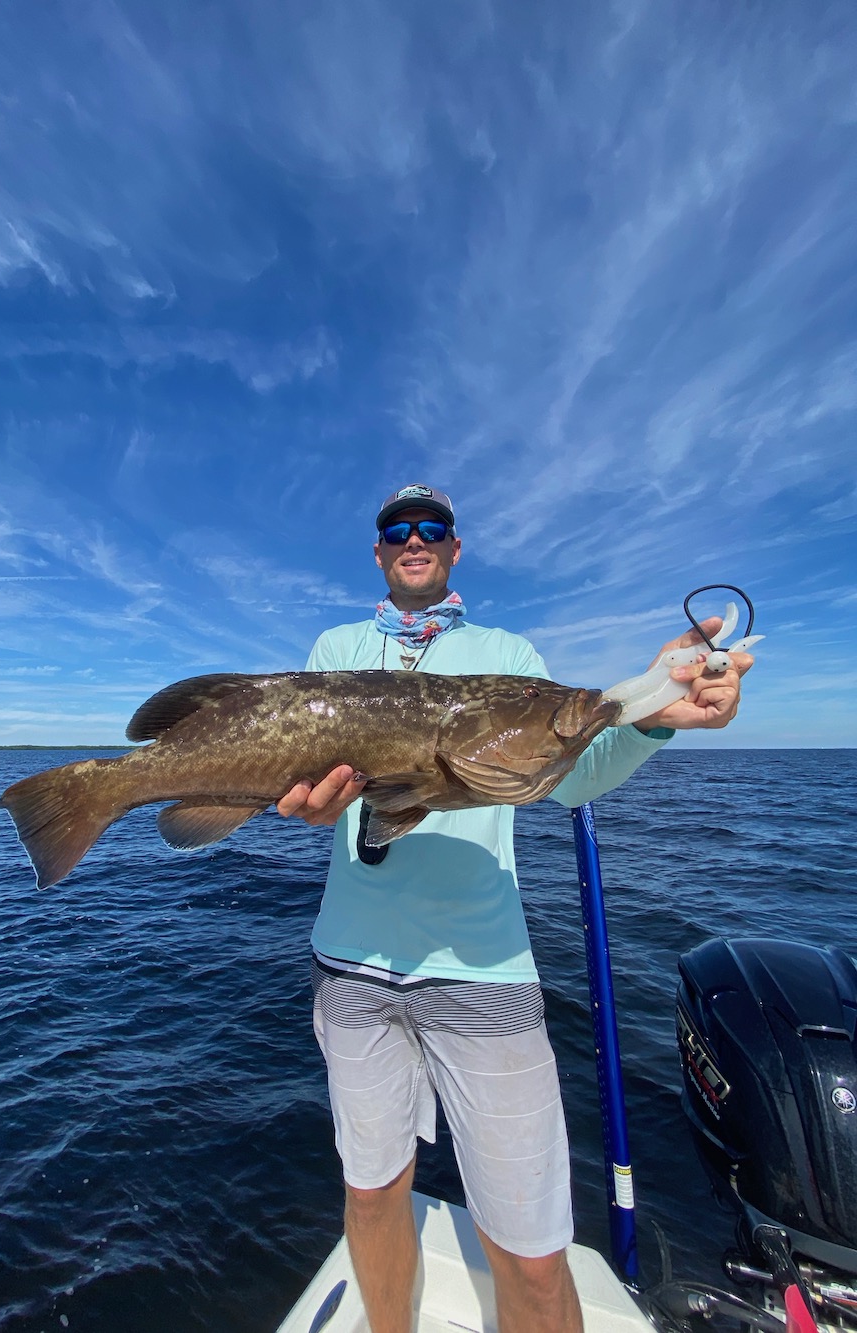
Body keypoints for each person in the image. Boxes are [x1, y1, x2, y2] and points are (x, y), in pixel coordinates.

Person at [277, 484, 750, 1333]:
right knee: (372, 1192)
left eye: (432, 529)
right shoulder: (336, 646)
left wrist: (651, 709)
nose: (413, 539)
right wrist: (308, 799)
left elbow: (573, 766)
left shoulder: (509, 653)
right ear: (380, 552)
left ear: (456, 549)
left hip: (484, 969)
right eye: (396, 529)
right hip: (350, 966)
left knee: (533, 1253)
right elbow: (321, 775)